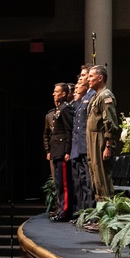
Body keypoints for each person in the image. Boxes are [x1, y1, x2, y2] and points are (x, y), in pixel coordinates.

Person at [85, 64, 120, 202]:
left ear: (100, 78)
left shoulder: (106, 96)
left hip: (100, 140)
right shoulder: (96, 96)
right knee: (95, 176)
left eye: (91, 76)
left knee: (103, 177)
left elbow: (110, 122)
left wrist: (108, 145)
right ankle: (100, 210)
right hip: (92, 139)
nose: (88, 79)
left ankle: (107, 210)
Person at [46, 82, 75, 221]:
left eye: (56, 91)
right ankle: (61, 210)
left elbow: (69, 131)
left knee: (64, 184)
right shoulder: (58, 109)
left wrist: (67, 151)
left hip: (62, 150)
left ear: (63, 94)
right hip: (56, 150)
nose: (54, 94)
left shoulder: (65, 108)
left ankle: (65, 212)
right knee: (59, 183)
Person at [69, 66, 96, 213]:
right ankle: (82, 212)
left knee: (88, 182)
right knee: (79, 182)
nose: (81, 78)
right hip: (78, 147)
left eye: (85, 75)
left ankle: (89, 213)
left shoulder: (92, 96)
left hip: (86, 146)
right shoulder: (83, 98)